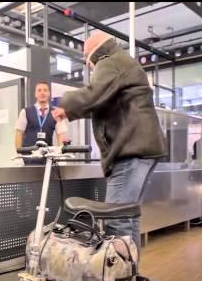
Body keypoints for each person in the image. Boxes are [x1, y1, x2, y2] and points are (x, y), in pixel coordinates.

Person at [52, 31, 167, 249]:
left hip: (129, 151)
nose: (89, 66)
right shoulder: (123, 61)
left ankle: (118, 280)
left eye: (87, 61)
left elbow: (94, 94)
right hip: (144, 149)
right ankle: (130, 276)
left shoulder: (108, 61)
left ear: (92, 53)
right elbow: (104, 102)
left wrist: (64, 106)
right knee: (128, 216)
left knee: (116, 220)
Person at [15, 81, 69, 164]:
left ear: (49, 93)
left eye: (45, 90)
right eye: (39, 90)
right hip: (27, 157)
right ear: (35, 94)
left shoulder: (56, 112)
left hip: (48, 158)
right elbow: (19, 133)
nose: (42, 93)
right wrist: (18, 155)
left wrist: (60, 155)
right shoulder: (25, 112)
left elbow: (60, 135)